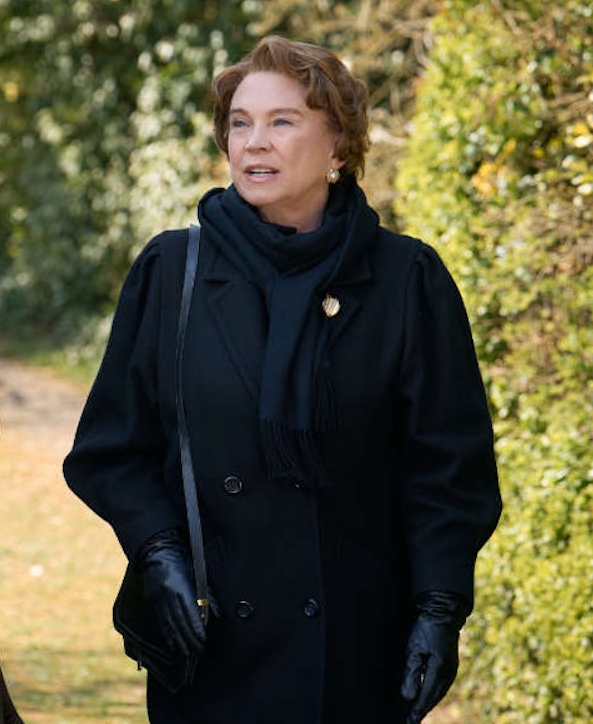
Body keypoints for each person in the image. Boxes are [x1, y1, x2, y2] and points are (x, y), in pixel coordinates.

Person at [63, 35, 502, 724]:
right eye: (240, 123)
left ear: (338, 147)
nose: (253, 142)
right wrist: (160, 553)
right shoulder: (172, 270)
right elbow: (111, 450)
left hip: (357, 653)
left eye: (282, 121)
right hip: (212, 645)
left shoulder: (407, 280)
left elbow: (449, 469)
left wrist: (440, 608)